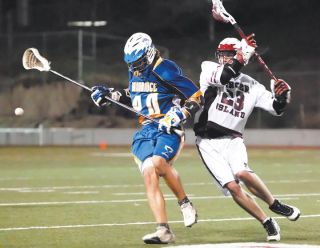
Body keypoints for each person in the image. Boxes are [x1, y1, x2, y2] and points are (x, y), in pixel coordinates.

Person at [91, 32, 201, 244]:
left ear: (149, 54)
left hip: (168, 127)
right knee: (149, 172)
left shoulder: (165, 69)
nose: (135, 68)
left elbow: (196, 95)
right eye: (131, 64)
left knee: (159, 163)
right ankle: (163, 230)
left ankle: (185, 204)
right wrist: (110, 95)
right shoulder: (136, 70)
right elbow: (135, 94)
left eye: (139, 62)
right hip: (146, 129)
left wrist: (178, 114)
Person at [194, 35, 300, 241]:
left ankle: (274, 203)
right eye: (222, 55)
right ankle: (267, 221)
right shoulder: (208, 68)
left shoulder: (252, 85)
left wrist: (282, 97)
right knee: (232, 187)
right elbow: (224, 76)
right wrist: (242, 56)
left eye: (229, 55)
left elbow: (276, 109)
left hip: (233, 138)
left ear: (237, 55)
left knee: (242, 172)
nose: (224, 58)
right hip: (206, 140)